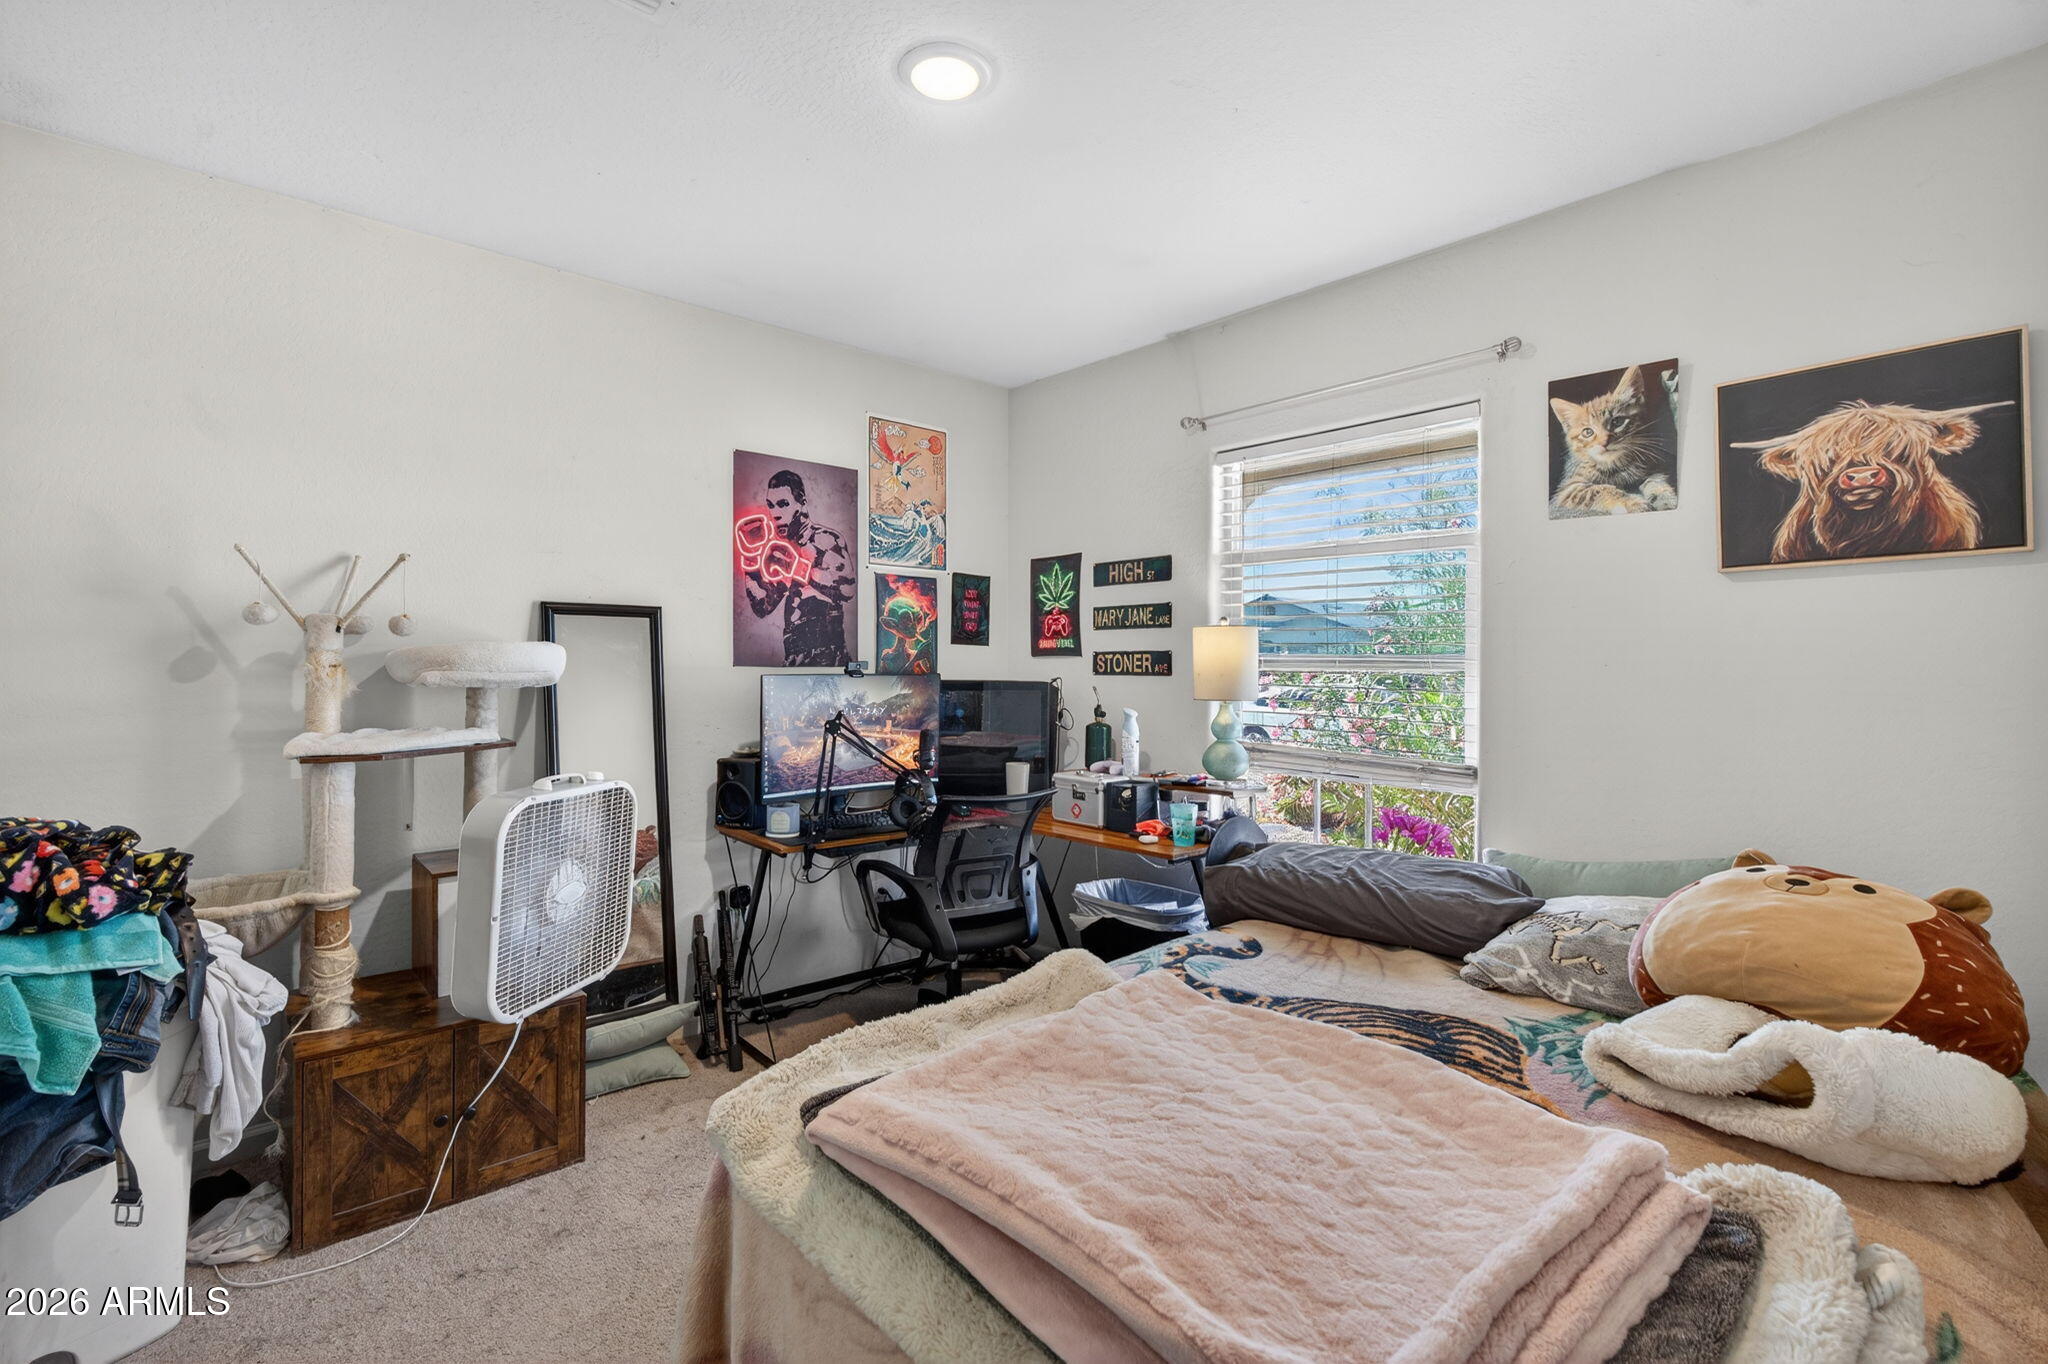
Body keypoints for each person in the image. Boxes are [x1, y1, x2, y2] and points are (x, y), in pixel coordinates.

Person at [743, 468, 854, 665]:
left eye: (783, 504)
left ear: (801, 502)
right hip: (794, 658)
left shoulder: (824, 540)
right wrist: (751, 561)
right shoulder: (778, 550)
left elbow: (847, 589)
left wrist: (799, 568)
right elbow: (762, 607)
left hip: (829, 656)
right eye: (771, 505)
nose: (775, 513)